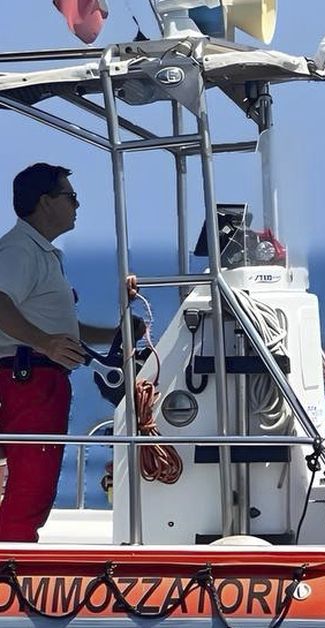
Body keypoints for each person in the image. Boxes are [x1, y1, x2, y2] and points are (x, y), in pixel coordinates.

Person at [0, 163, 137, 542]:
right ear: (45, 202)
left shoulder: (39, 252)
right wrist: (44, 343)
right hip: (28, 380)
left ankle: (16, 555)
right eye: (70, 197)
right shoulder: (19, 250)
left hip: (38, 378)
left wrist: (116, 332)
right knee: (30, 483)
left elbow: (62, 330)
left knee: (36, 482)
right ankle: (12, 566)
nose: (78, 205)